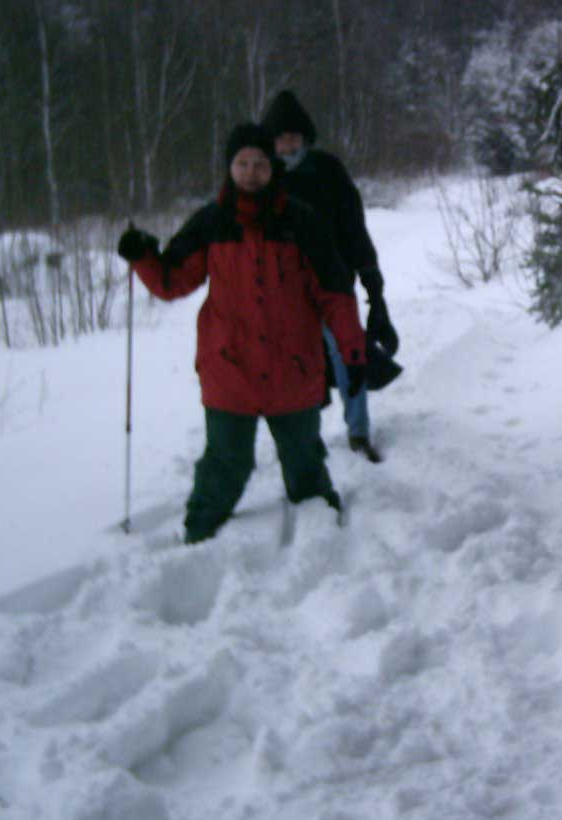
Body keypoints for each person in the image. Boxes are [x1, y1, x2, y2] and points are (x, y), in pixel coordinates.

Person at [117, 122, 366, 543]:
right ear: (229, 168)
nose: (252, 172)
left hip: (294, 369)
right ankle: (199, 532)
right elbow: (171, 280)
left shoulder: (301, 222)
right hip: (230, 370)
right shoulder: (211, 223)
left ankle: (326, 536)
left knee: (304, 459)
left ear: (274, 168)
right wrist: (142, 254)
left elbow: (335, 293)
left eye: (261, 164)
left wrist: (353, 351)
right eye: (242, 163)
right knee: (225, 462)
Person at [261, 90, 398, 464]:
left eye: (293, 136)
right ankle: (305, 438)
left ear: (305, 136)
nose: (288, 143)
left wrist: (374, 286)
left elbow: (354, 227)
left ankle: (358, 432)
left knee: (348, 356)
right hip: (286, 292)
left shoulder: (328, 169)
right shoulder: (263, 179)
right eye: (280, 137)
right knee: (295, 366)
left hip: (334, 283)